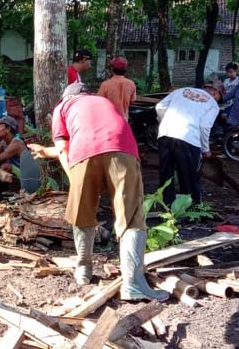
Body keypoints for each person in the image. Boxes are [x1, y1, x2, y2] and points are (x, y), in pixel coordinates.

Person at [28, 84, 168, 301]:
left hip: (83, 154)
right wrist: (45, 152)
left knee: (82, 213)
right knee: (130, 218)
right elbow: (100, 138)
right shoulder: (103, 102)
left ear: (65, 97)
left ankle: (83, 270)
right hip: (123, 150)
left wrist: (75, 180)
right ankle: (133, 284)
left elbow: (67, 148)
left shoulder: (63, 107)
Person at [155, 85, 221, 206]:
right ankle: (191, 208)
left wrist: (164, 123)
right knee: (188, 175)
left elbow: (159, 106)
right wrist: (206, 149)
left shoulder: (180, 91)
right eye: (219, 96)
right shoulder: (212, 104)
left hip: (165, 134)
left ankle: (166, 206)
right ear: (214, 92)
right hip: (188, 138)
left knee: (166, 174)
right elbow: (204, 126)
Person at [97, 56, 137, 120]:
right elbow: (132, 101)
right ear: (125, 70)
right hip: (124, 121)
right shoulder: (131, 84)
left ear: (113, 69)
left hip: (109, 120)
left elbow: (99, 102)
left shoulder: (106, 84)